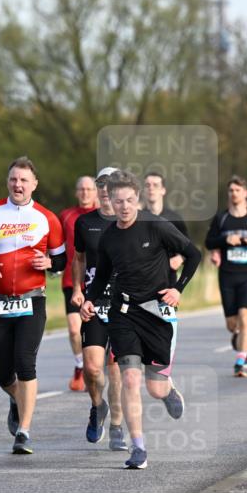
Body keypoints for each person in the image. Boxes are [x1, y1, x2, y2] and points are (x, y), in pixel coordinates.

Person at [81, 171, 202, 469]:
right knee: (130, 377)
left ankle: (168, 390)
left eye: (130, 201)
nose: (124, 207)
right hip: (124, 313)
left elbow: (193, 254)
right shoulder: (109, 238)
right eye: (118, 201)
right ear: (109, 199)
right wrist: (89, 300)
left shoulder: (156, 226)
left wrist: (178, 288)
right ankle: (138, 449)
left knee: (154, 388)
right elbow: (104, 276)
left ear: (137, 199)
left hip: (158, 313)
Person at [0, 156, 67, 454]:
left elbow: (61, 260)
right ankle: (15, 398)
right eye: (13, 179)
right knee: (2, 372)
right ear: (7, 182)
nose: (18, 184)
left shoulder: (47, 218)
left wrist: (49, 262)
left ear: (34, 184)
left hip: (31, 301)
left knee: (25, 362)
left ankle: (24, 430)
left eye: (23, 180)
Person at [71, 167, 125, 449]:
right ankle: (97, 406)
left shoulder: (129, 221)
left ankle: (117, 426)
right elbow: (78, 259)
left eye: (111, 184)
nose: (105, 188)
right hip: (93, 303)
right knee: (92, 369)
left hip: (121, 306)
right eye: (101, 183)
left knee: (114, 368)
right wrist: (78, 289)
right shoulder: (84, 223)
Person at [206, 176, 247, 376]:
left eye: (237, 190)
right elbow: (209, 242)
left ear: (245, 193)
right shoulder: (221, 219)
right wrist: (225, 240)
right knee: (232, 324)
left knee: (246, 317)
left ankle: (241, 360)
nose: (234, 193)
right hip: (227, 276)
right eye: (231, 191)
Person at [58, 176, 98, 391]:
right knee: (75, 330)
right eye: (81, 189)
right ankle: (80, 366)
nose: (85, 193)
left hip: (98, 281)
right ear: (76, 192)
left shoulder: (104, 215)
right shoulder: (66, 216)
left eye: (89, 189)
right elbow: (55, 245)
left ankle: (95, 366)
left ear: (96, 192)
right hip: (71, 280)